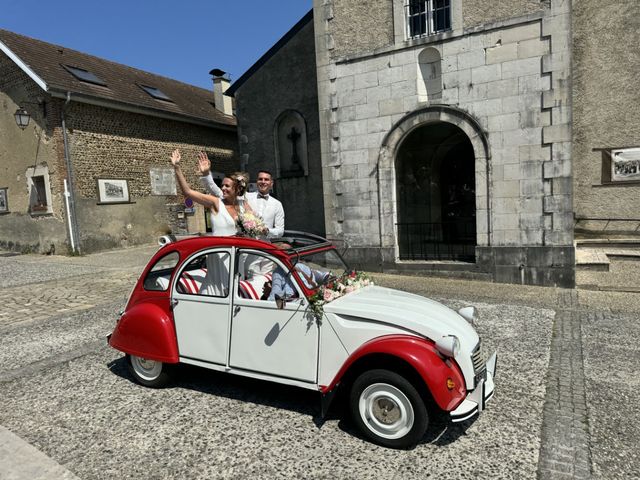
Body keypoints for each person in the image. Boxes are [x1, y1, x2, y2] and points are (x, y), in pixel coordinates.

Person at [198, 153, 285, 237]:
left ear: (271, 183)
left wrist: (267, 231)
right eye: (260, 179)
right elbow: (218, 192)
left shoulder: (277, 204)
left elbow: (280, 230)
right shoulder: (245, 197)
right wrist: (206, 174)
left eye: (266, 180)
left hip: (265, 246)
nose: (263, 182)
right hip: (246, 246)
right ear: (256, 181)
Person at [170, 149, 253, 236]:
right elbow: (187, 191)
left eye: (227, 186)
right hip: (220, 248)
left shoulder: (243, 205)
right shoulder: (216, 202)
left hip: (237, 248)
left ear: (238, 189)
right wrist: (176, 167)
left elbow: (255, 225)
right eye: (222, 185)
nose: (223, 188)